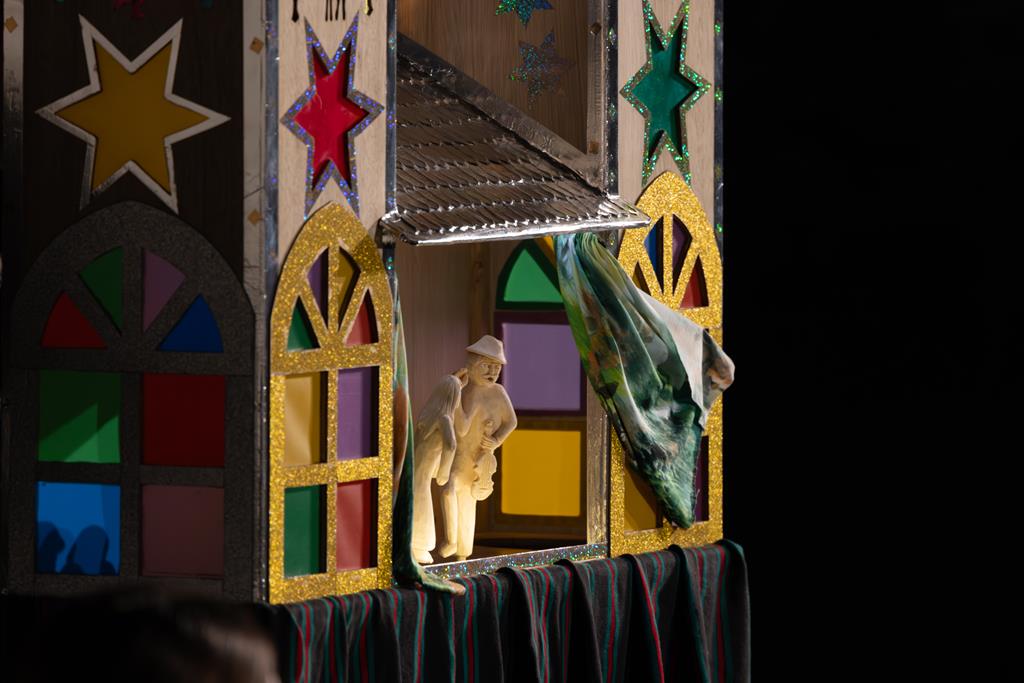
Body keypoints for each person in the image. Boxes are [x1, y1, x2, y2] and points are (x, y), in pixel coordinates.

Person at [437, 335, 517, 561]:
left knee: (468, 506)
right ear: (472, 367)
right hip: (461, 457)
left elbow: (511, 422)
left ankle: (462, 554)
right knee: (449, 491)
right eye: (486, 367)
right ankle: (451, 540)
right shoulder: (467, 392)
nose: (492, 372)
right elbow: (461, 430)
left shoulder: (499, 392)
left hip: (480, 461)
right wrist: (455, 395)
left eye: (496, 368)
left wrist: (497, 439)